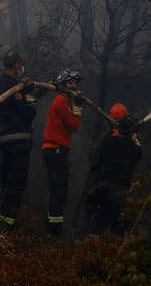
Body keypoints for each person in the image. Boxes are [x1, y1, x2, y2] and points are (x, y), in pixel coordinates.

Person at [0, 49, 37, 229]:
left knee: (8, 181)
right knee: (16, 183)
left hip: (7, 139)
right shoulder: (11, 86)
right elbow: (28, 113)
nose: (22, 67)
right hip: (17, 140)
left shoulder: (1, 83)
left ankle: (3, 223)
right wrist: (29, 97)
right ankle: (7, 226)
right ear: (17, 65)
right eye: (21, 64)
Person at [86, 103, 142, 235]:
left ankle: (80, 245)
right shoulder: (133, 146)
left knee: (94, 230)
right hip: (121, 194)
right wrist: (135, 137)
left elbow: (93, 163)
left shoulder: (106, 140)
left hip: (103, 191)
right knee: (117, 233)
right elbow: (138, 154)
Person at [41, 68, 84, 237]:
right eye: (71, 83)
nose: (74, 86)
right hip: (55, 150)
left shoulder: (65, 100)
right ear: (64, 84)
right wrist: (79, 107)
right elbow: (74, 125)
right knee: (59, 190)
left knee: (60, 190)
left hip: (57, 151)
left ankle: (54, 227)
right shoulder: (61, 101)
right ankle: (54, 231)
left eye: (75, 83)